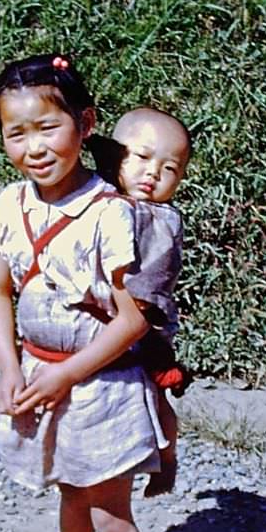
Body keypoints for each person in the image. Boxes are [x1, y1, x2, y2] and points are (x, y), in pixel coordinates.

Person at [0, 53, 168, 532]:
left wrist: (66, 377)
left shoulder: (109, 213)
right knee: (67, 486)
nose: (34, 147)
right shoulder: (12, 204)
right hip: (41, 375)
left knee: (111, 512)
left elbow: (130, 322)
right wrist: (11, 367)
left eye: (48, 128)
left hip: (98, 386)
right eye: (16, 133)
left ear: (85, 124)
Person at [101, 107, 191, 497]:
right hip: (103, 320)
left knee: (152, 397)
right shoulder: (101, 199)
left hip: (143, 323)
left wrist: (139, 320)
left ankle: (166, 456)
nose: (153, 173)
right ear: (115, 156)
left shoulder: (160, 220)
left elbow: (154, 279)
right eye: (142, 158)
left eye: (169, 168)